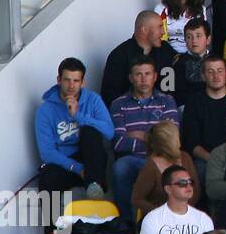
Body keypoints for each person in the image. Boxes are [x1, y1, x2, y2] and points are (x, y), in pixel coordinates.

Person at [108, 56, 181, 220]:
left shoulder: (167, 101)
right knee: (120, 167)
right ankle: (126, 223)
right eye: (138, 74)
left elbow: (172, 140)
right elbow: (119, 143)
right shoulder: (118, 104)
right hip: (134, 160)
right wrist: (155, 138)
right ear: (130, 78)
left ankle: (175, 219)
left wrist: (142, 136)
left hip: (164, 159)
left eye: (147, 74)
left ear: (155, 76)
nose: (143, 79)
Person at [35, 57, 114, 199]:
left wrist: (78, 116)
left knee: (89, 131)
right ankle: (51, 221)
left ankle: (95, 187)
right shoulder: (46, 110)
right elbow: (47, 152)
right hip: (66, 163)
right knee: (47, 177)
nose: (71, 85)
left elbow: (109, 132)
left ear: (83, 83)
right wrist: (78, 169)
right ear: (59, 80)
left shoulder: (93, 99)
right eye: (67, 80)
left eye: (76, 81)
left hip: (92, 159)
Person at [181, 54, 226, 179]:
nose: (216, 76)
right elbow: (191, 143)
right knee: (199, 171)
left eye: (220, 71)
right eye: (210, 72)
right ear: (203, 76)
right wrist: (214, 159)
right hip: (206, 158)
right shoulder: (194, 103)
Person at [131, 122, 200, 218]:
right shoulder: (150, 167)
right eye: (176, 137)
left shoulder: (185, 158)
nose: (179, 140)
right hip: (158, 220)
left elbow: (195, 190)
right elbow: (137, 199)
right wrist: (163, 214)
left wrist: (182, 212)